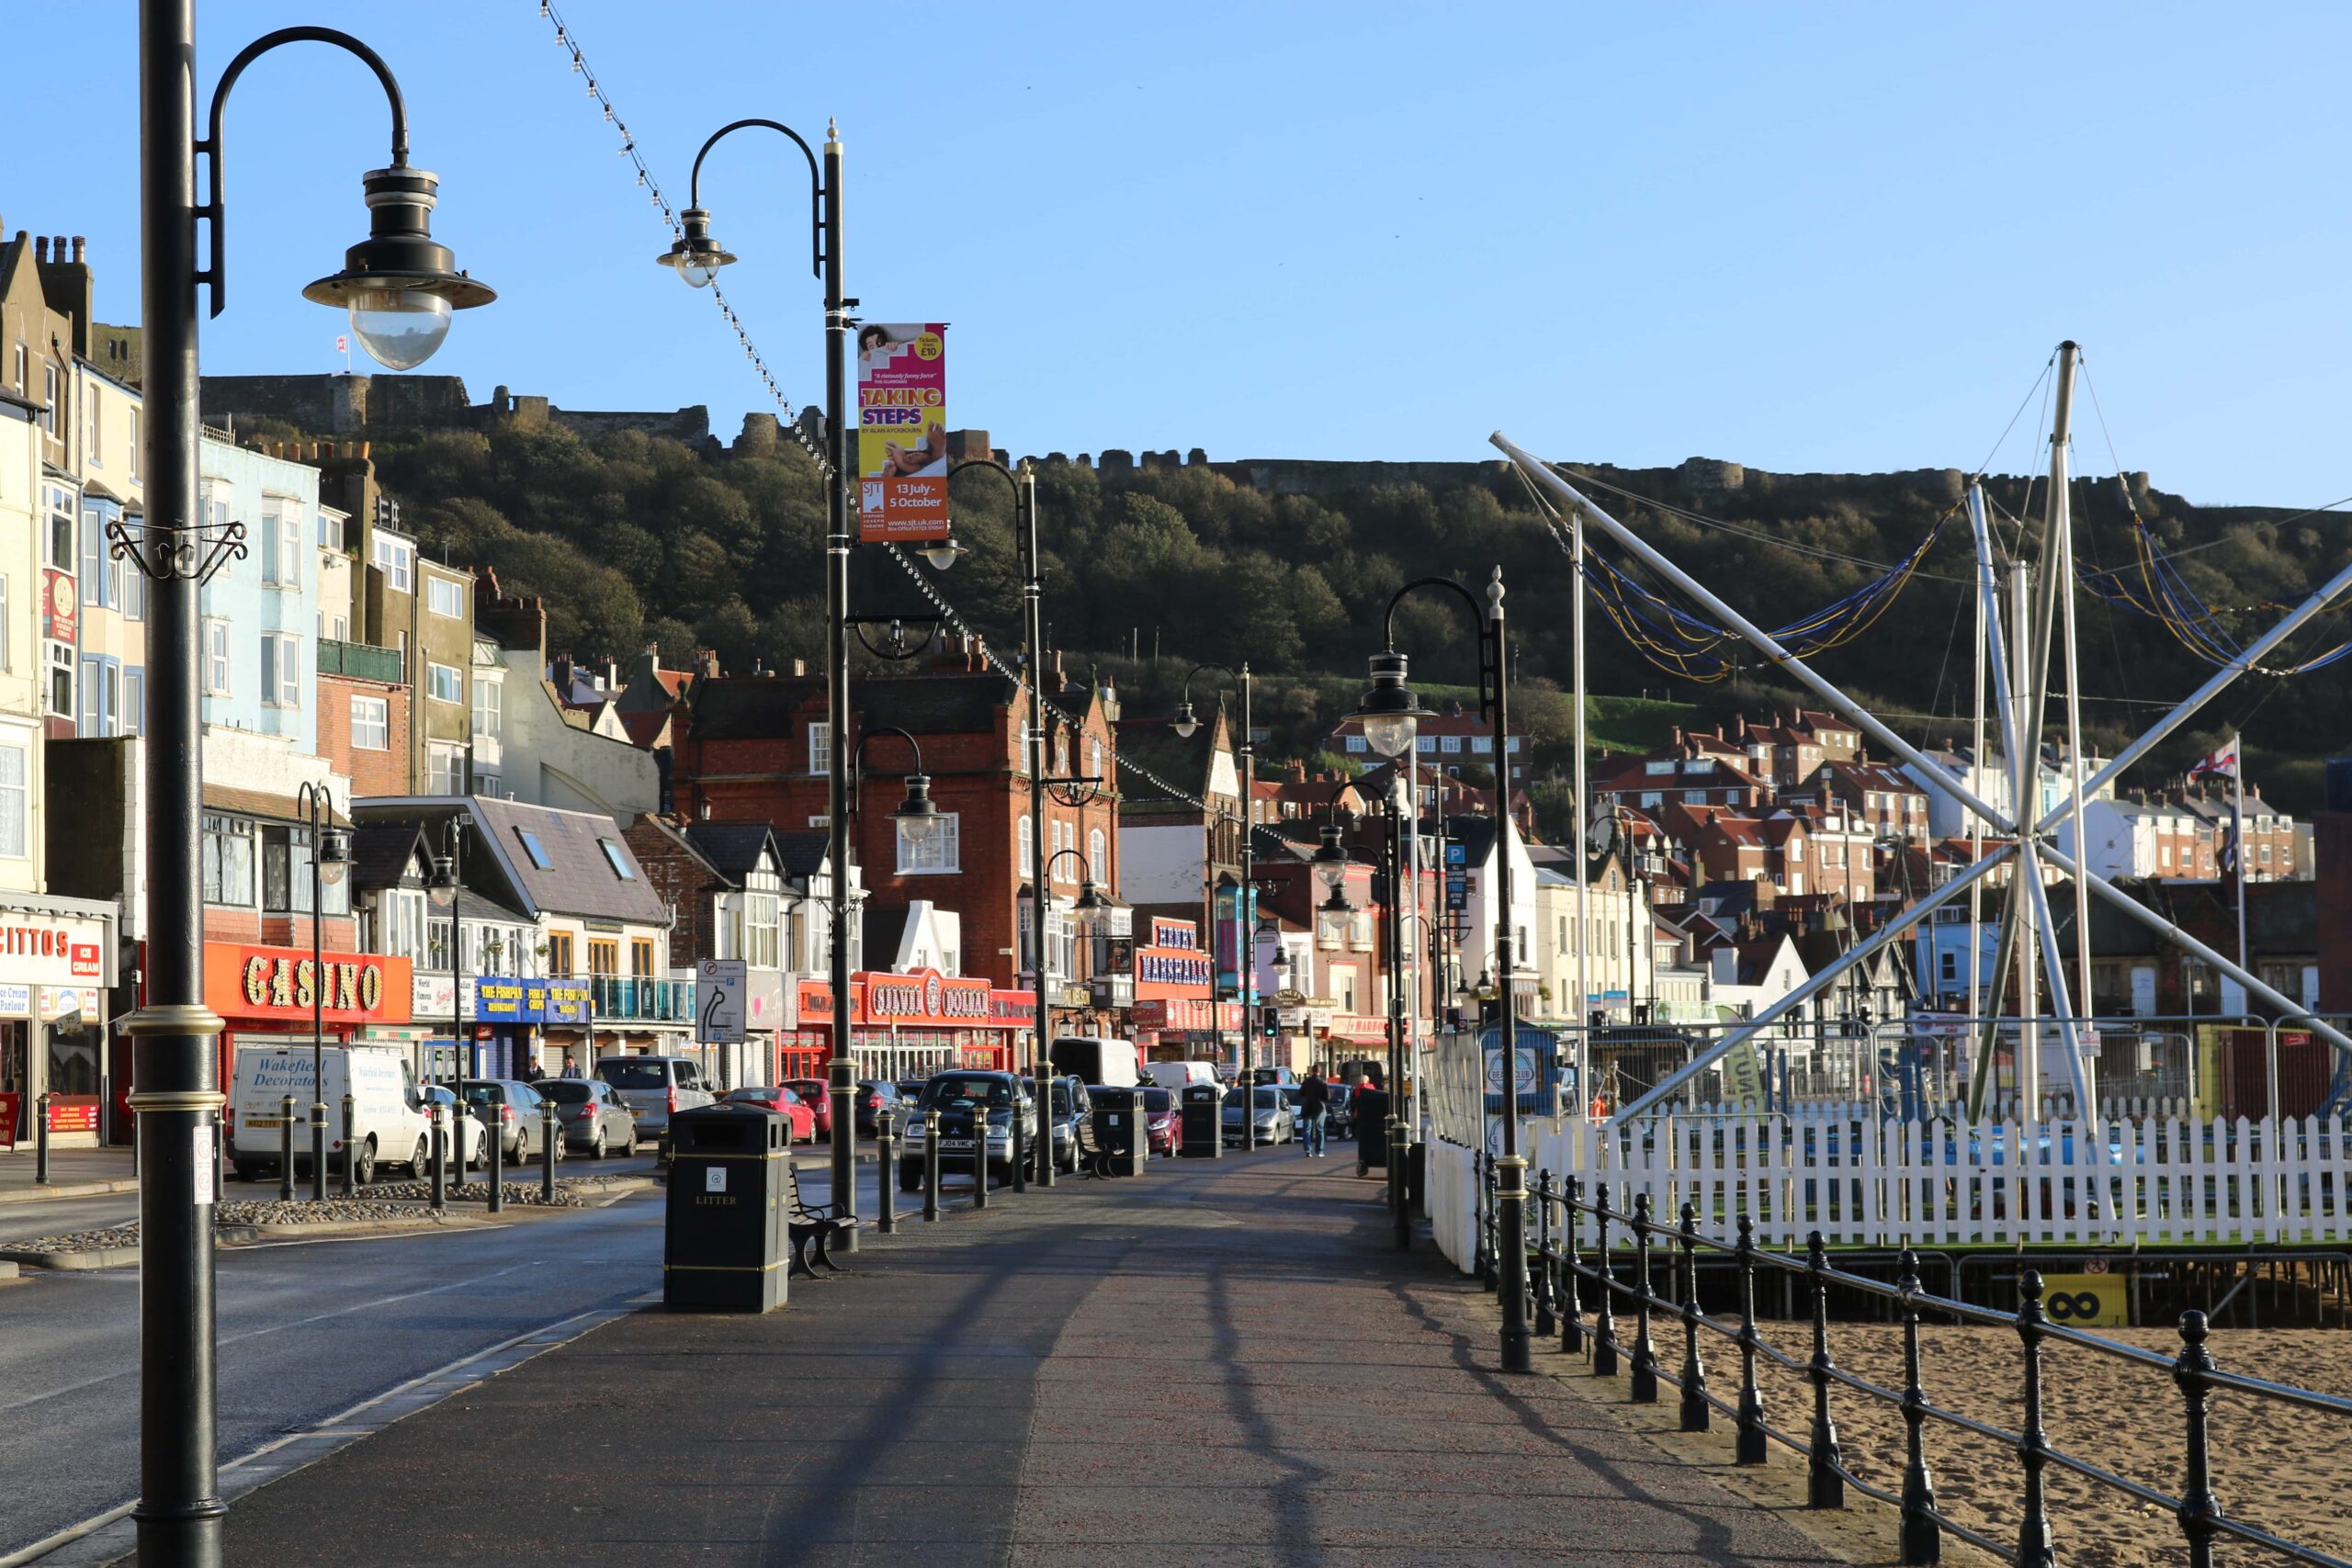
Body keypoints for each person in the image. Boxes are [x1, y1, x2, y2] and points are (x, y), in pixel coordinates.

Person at [1297, 1073, 1329, 1158]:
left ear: (1312, 1071)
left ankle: (1308, 1150)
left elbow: (1301, 1093)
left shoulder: (1306, 1081)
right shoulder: (1322, 1082)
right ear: (1320, 1072)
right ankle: (1320, 1151)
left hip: (1308, 1107)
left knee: (1306, 1129)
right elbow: (1327, 1097)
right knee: (1320, 1129)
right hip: (1319, 1107)